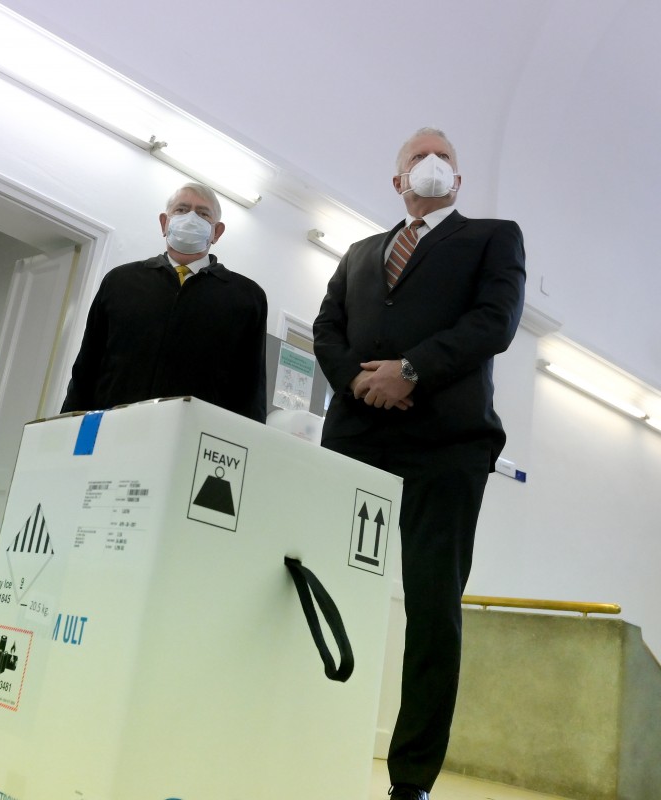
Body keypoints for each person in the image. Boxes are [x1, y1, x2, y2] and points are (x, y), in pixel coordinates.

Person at [313, 128, 526, 799]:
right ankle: (306, 732)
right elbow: (327, 329)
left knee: (432, 610)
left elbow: (495, 321)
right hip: (356, 439)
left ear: (458, 180)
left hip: (446, 446)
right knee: (318, 582)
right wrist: (359, 381)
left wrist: (409, 370)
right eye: (418, 157)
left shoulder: (492, 238)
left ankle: (410, 781)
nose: (432, 164)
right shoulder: (358, 253)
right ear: (398, 179)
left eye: (445, 158)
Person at [60, 182, 268, 422]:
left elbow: (251, 389)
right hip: (112, 428)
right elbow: (86, 366)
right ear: (164, 223)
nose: (191, 218)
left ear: (217, 232)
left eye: (203, 214)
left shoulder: (245, 298)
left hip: (192, 435)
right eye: (181, 210)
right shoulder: (120, 282)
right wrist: (67, 429)